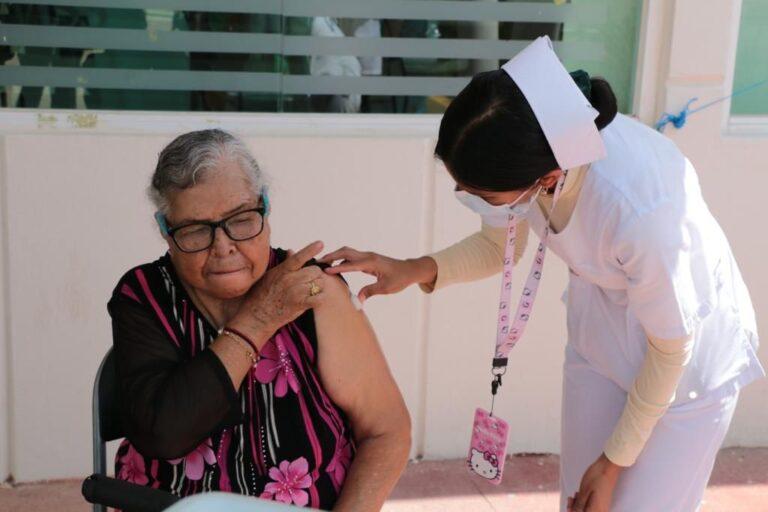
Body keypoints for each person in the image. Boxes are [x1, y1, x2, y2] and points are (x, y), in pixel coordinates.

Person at [319, 37, 764, 512]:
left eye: (481, 195)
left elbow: (671, 350)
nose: (473, 201)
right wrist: (411, 269)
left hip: (685, 364)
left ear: (548, 178)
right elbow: (498, 247)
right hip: (601, 332)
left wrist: (612, 463)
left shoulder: (640, 210)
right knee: (579, 501)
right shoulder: (532, 144)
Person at [110, 129, 410, 511]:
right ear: (166, 231)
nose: (223, 247)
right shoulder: (144, 295)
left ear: (265, 210)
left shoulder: (315, 290)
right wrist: (258, 320)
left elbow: (386, 431)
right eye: (196, 229)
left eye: (241, 219)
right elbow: (165, 433)